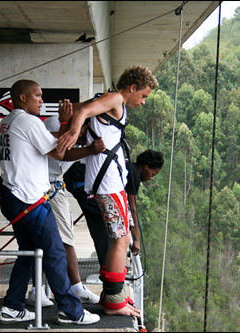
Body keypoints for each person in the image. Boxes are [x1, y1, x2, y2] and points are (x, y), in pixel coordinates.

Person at [0, 79, 102, 325]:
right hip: (29, 199)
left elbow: (49, 141)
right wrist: (67, 122)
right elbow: (59, 152)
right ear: (23, 98)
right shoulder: (28, 121)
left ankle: (12, 307)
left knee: (29, 253)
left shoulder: (7, 122)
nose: (42, 101)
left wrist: (67, 128)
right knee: (55, 253)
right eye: (38, 96)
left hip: (12, 196)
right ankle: (71, 311)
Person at [57, 65, 158, 317]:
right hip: (107, 184)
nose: (143, 102)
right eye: (143, 96)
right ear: (132, 87)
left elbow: (83, 108)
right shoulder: (115, 98)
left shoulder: (113, 101)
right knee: (121, 240)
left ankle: (112, 294)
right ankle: (114, 300)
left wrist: (73, 118)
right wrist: (72, 129)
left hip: (112, 183)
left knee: (119, 239)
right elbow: (86, 111)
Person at [26, 116, 100, 307]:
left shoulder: (85, 140)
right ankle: (37, 290)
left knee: (67, 238)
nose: (86, 137)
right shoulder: (54, 125)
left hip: (55, 185)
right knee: (43, 238)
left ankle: (76, 287)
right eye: (85, 132)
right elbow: (57, 153)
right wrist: (86, 146)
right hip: (37, 187)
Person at [125, 149, 164, 256]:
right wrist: (136, 240)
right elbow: (133, 209)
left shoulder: (130, 167)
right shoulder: (134, 176)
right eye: (153, 174)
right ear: (146, 167)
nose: (151, 178)